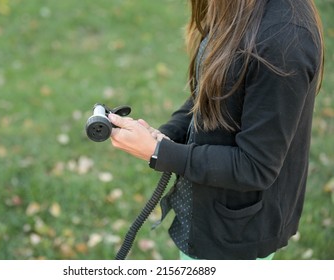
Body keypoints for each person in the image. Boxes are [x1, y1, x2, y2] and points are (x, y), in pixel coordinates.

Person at [107, 0, 324, 260]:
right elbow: (214, 91)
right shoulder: (236, 7)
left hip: (235, 238)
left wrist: (160, 152)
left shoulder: (284, 41)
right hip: (203, 213)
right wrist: (167, 135)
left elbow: (255, 166)